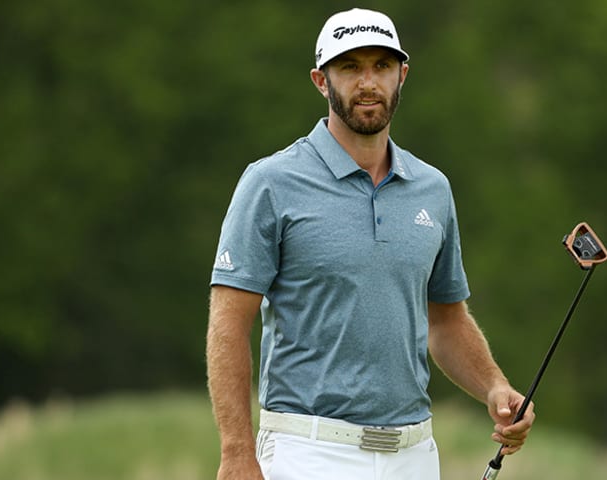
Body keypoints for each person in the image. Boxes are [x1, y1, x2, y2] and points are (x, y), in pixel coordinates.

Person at [206, 8, 534, 480]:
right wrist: (236, 450)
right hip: (308, 450)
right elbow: (229, 323)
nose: (367, 82)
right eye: (350, 67)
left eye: (381, 66)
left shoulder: (432, 188)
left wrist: (495, 388)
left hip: (415, 453)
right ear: (322, 80)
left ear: (402, 75)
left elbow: (446, 320)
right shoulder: (270, 183)